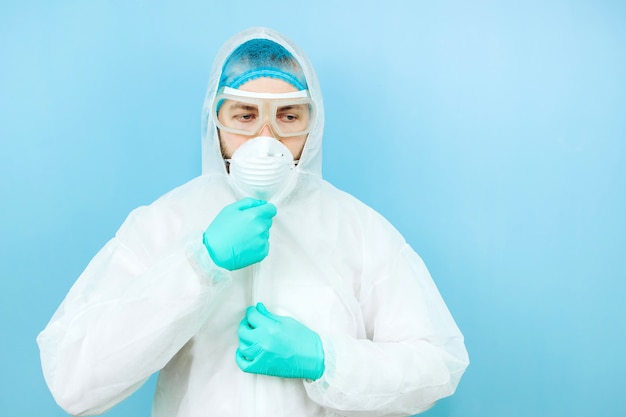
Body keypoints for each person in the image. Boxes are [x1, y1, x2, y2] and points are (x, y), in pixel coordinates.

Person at [37, 27, 469, 417]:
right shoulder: (164, 224)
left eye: (288, 116)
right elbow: (74, 381)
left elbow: (437, 366)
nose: (267, 139)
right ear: (216, 120)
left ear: (311, 125)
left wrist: (326, 359)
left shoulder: (356, 229)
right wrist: (200, 265)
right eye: (245, 116)